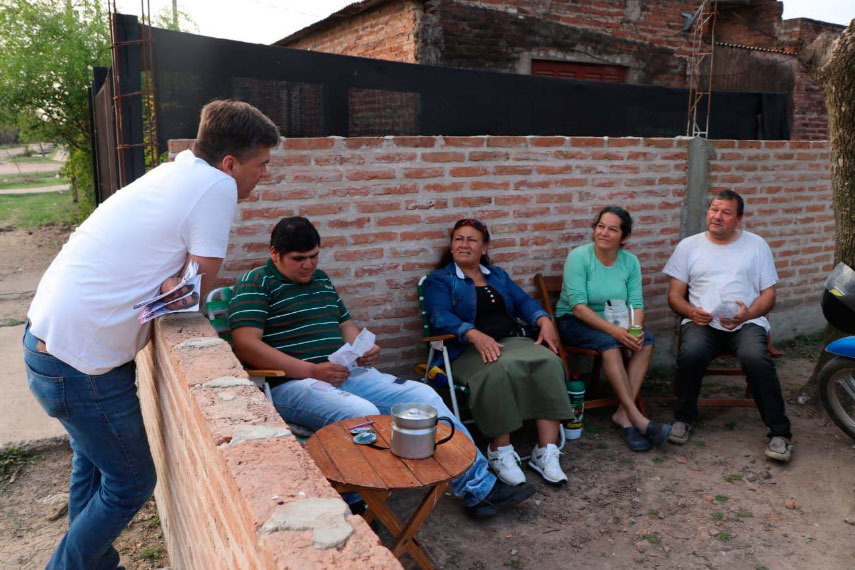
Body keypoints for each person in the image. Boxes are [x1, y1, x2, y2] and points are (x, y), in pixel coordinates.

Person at [24, 99, 280, 569]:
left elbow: (180, 286)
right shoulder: (217, 187)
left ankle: (94, 565)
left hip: (48, 343)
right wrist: (178, 285)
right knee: (132, 482)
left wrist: (176, 283)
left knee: (92, 464)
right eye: (261, 164)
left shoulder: (176, 171)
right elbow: (192, 296)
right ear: (229, 164)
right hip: (79, 363)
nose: (265, 175)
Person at [227, 216, 535, 518]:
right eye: (299, 259)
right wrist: (311, 370)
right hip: (292, 384)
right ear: (275, 254)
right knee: (361, 413)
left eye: (314, 256)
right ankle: (359, 503)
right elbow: (245, 344)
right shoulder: (257, 283)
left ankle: (480, 489)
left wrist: (363, 347)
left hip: (342, 373)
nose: (308, 265)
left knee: (423, 398)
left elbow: (345, 326)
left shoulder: (320, 279)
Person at [423, 218, 572, 486]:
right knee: (498, 369)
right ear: (451, 246)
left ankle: (545, 451)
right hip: (466, 351)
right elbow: (439, 316)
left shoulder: (497, 275)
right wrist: (473, 333)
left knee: (549, 361)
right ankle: (499, 450)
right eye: (459, 239)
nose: (464, 244)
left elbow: (523, 301)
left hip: (512, 342)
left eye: (471, 240)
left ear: (484, 248)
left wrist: (543, 320)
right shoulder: (440, 280)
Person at [663, 189, 793, 462]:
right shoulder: (689, 246)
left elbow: (769, 294)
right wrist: (692, 311)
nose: (717, 216)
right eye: (714, 210)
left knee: (756, 358)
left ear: (739, 219)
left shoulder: (756, 245)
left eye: (726, 212)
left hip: (746, 323)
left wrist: (748, 314)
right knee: (691, 353)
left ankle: (780, 433)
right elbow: (674, 296)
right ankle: (683, 418)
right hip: (703, 322)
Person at [554, 206, 670, 451]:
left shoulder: (630, 262)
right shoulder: (579, 257)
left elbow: (636, 303)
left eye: (612, 229)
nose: (604, 233)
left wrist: (635, 330)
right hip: (574, 321)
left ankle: (622, 414)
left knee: (646, 342)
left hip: (615, 320)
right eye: (600, 226)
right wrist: (615, 332)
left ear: (624, 237)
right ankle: (635, 417)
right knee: (609, 344)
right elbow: (578, 307)